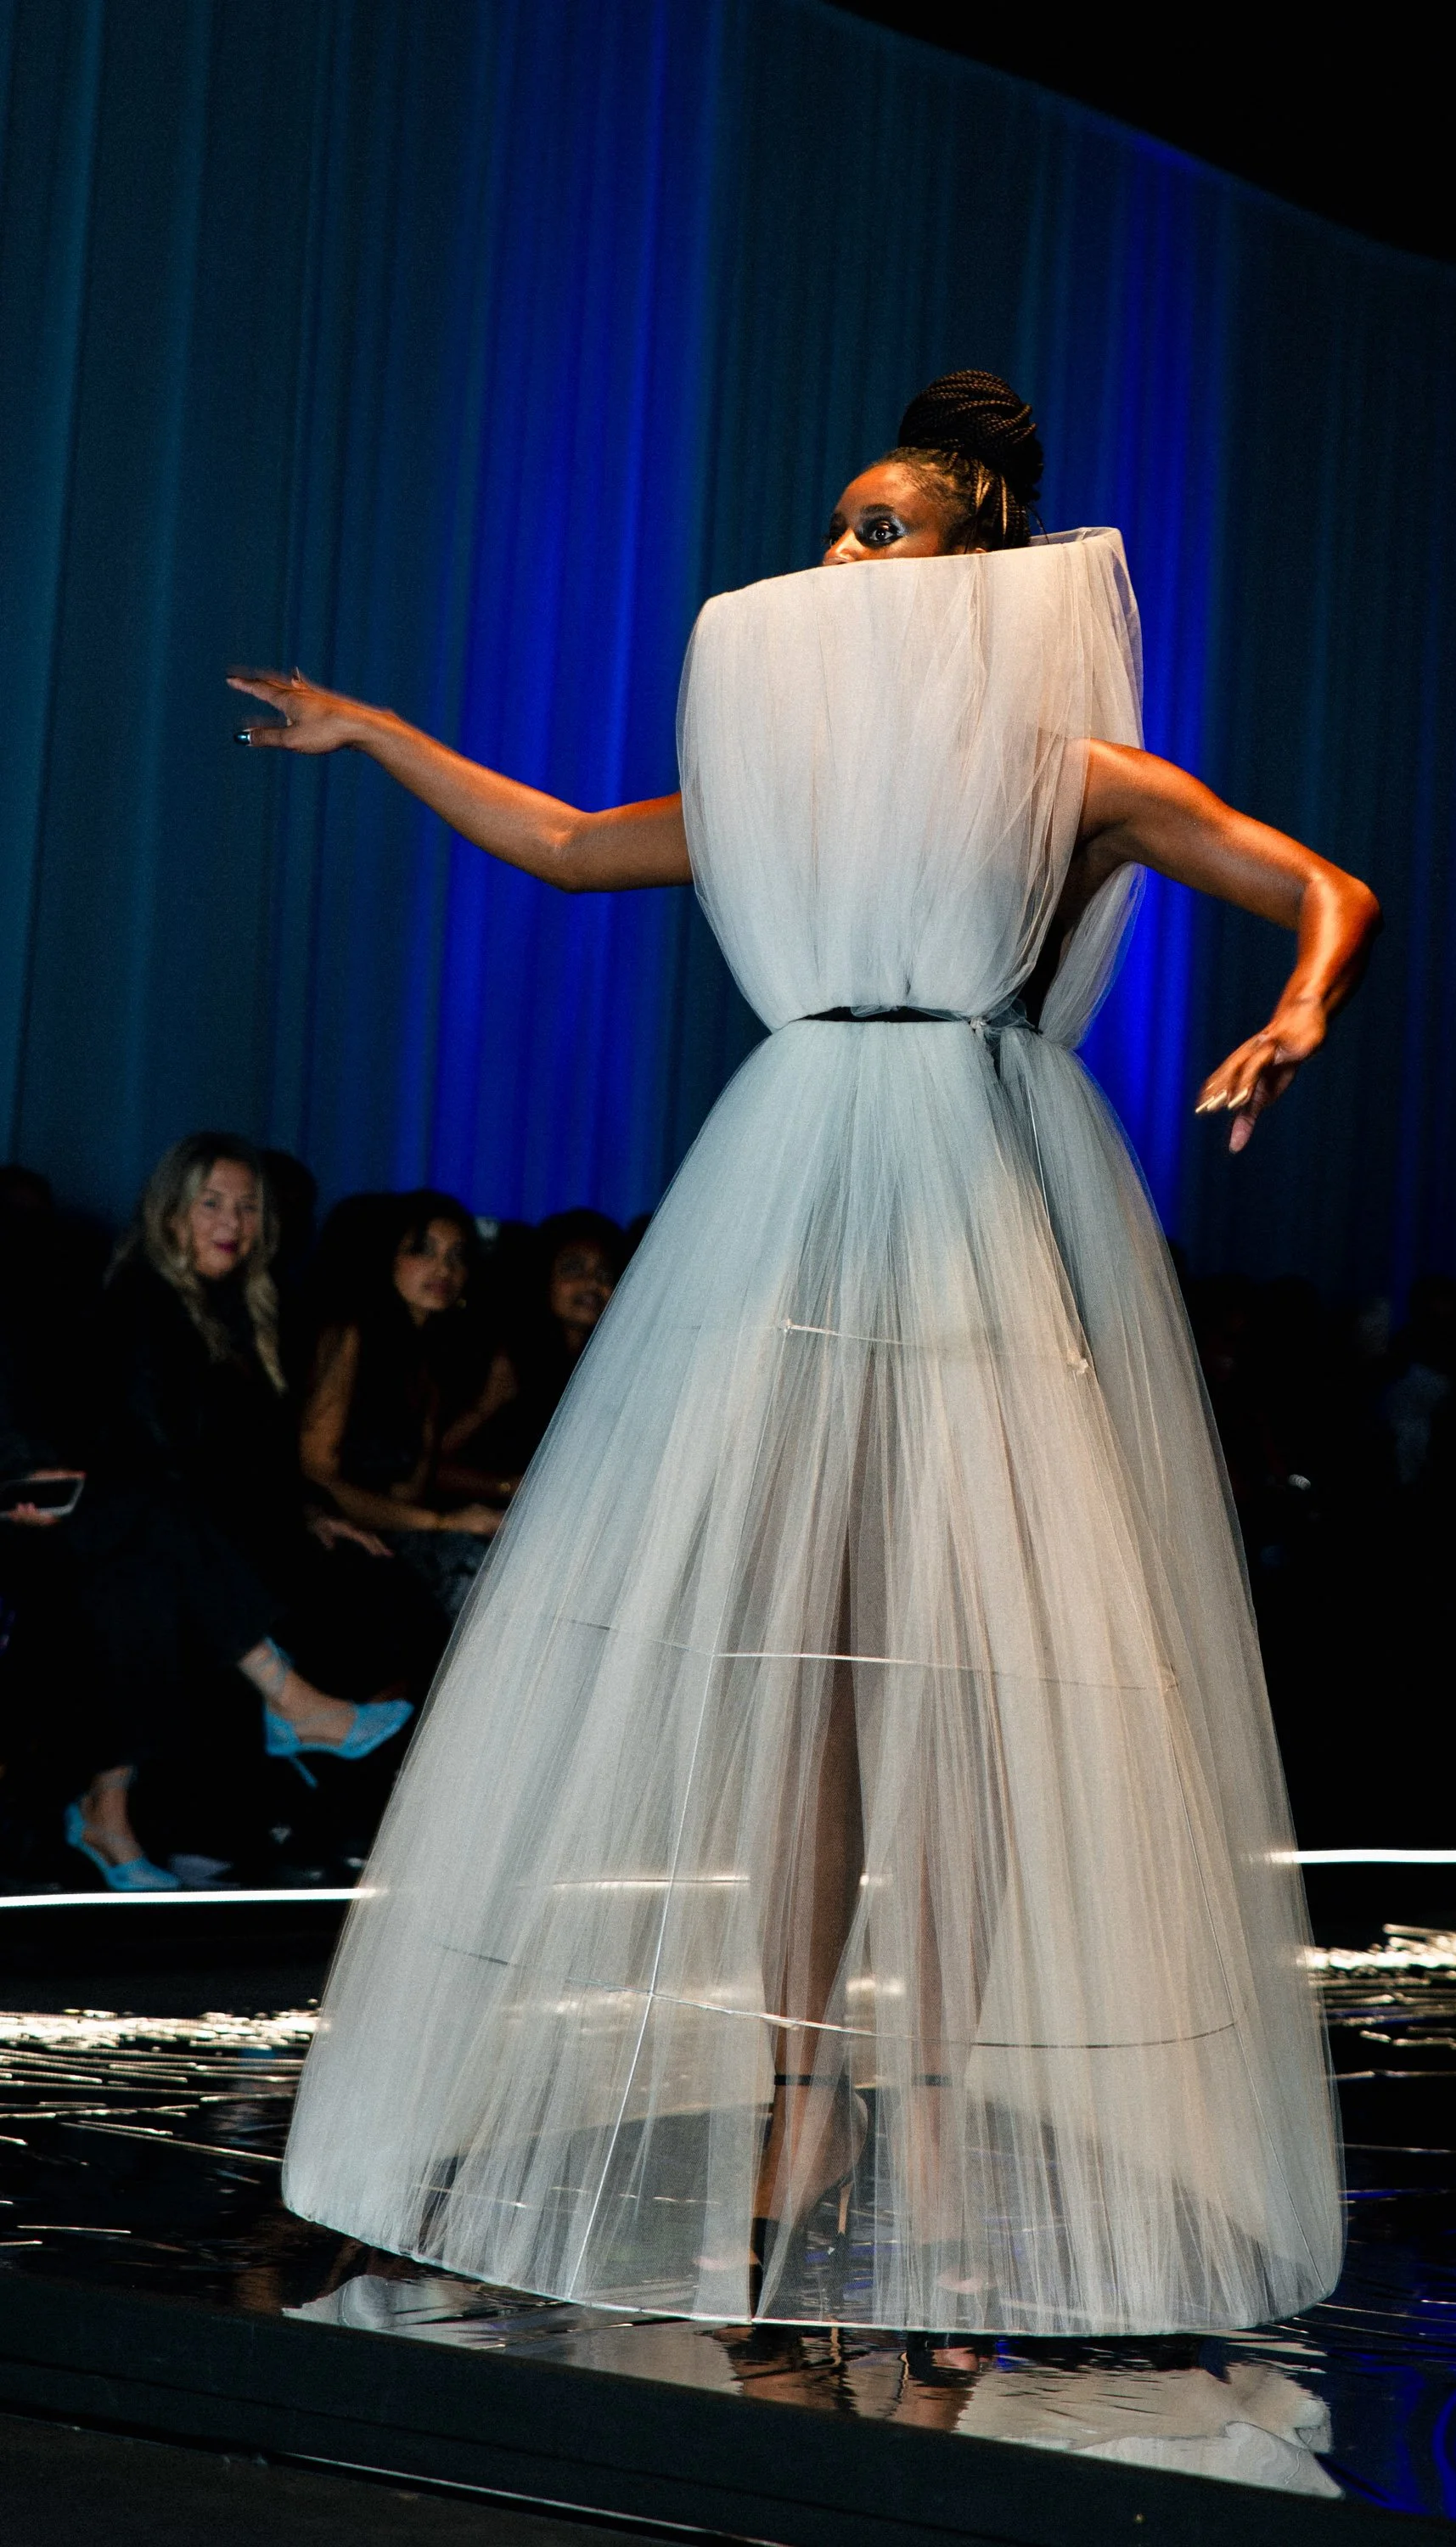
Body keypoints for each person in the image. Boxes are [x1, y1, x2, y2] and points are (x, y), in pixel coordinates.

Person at [248, 371, 1379, 2336]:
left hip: (965, 1213)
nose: (842, 552)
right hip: (792, 1206)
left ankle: (926, 2118)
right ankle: (797, 2097)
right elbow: (581, 843)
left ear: (978, 557)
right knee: (808, 1695)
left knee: (939, 1694)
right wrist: (378, 736)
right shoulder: (793, 776)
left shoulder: (1067, 769)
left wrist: (1294, 1009)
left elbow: (1317, 884)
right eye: (836, 521)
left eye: (884, 527)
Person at [67, 1136, 413, 1886]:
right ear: (172, 1214)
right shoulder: (140, 1300)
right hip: (119, 1524)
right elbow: (156, 1456)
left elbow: (258, 1458)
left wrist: (313, 1514)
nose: (234, 1222)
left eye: (248, 1206)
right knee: (150, 1556)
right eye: (213, 1204)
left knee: (368, 1572)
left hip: (188, 1533)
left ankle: (120, 1810)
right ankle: (288, 1704)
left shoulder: (246, 1310)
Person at [298, 1191, 509, 1622]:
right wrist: (442, 1522)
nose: (444, 1269)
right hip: (330, 1534)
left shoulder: (429, 1355)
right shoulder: (349, 1335)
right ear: (387, 1258)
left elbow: (415, 1481)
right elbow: (316, 1474)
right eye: (422, 1251)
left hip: (398, 1531)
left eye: (457, 1256)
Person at [453, 1208, 624, 1483]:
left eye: (605, 1274)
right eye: (573, 1269)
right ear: (544, 1278)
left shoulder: (613, 1365)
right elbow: (432, 1466)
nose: (592, 1283)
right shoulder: (504, 1355)